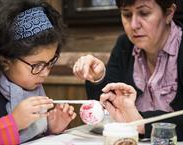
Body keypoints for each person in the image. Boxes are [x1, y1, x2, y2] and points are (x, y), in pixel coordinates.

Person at [0, 0, 76, 144]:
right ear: (5, 61)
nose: (45, 73)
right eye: (37, 65)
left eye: (50, 63)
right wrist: (14, 122)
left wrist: (50, 126)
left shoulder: (28, 81)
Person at [73, 0, 183, 140]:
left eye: (144, 13)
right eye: (127, 15)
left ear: (168, 13)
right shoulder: (125, 45)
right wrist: (98, 78)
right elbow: (104, 110)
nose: (133, 25)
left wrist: (142, 123)